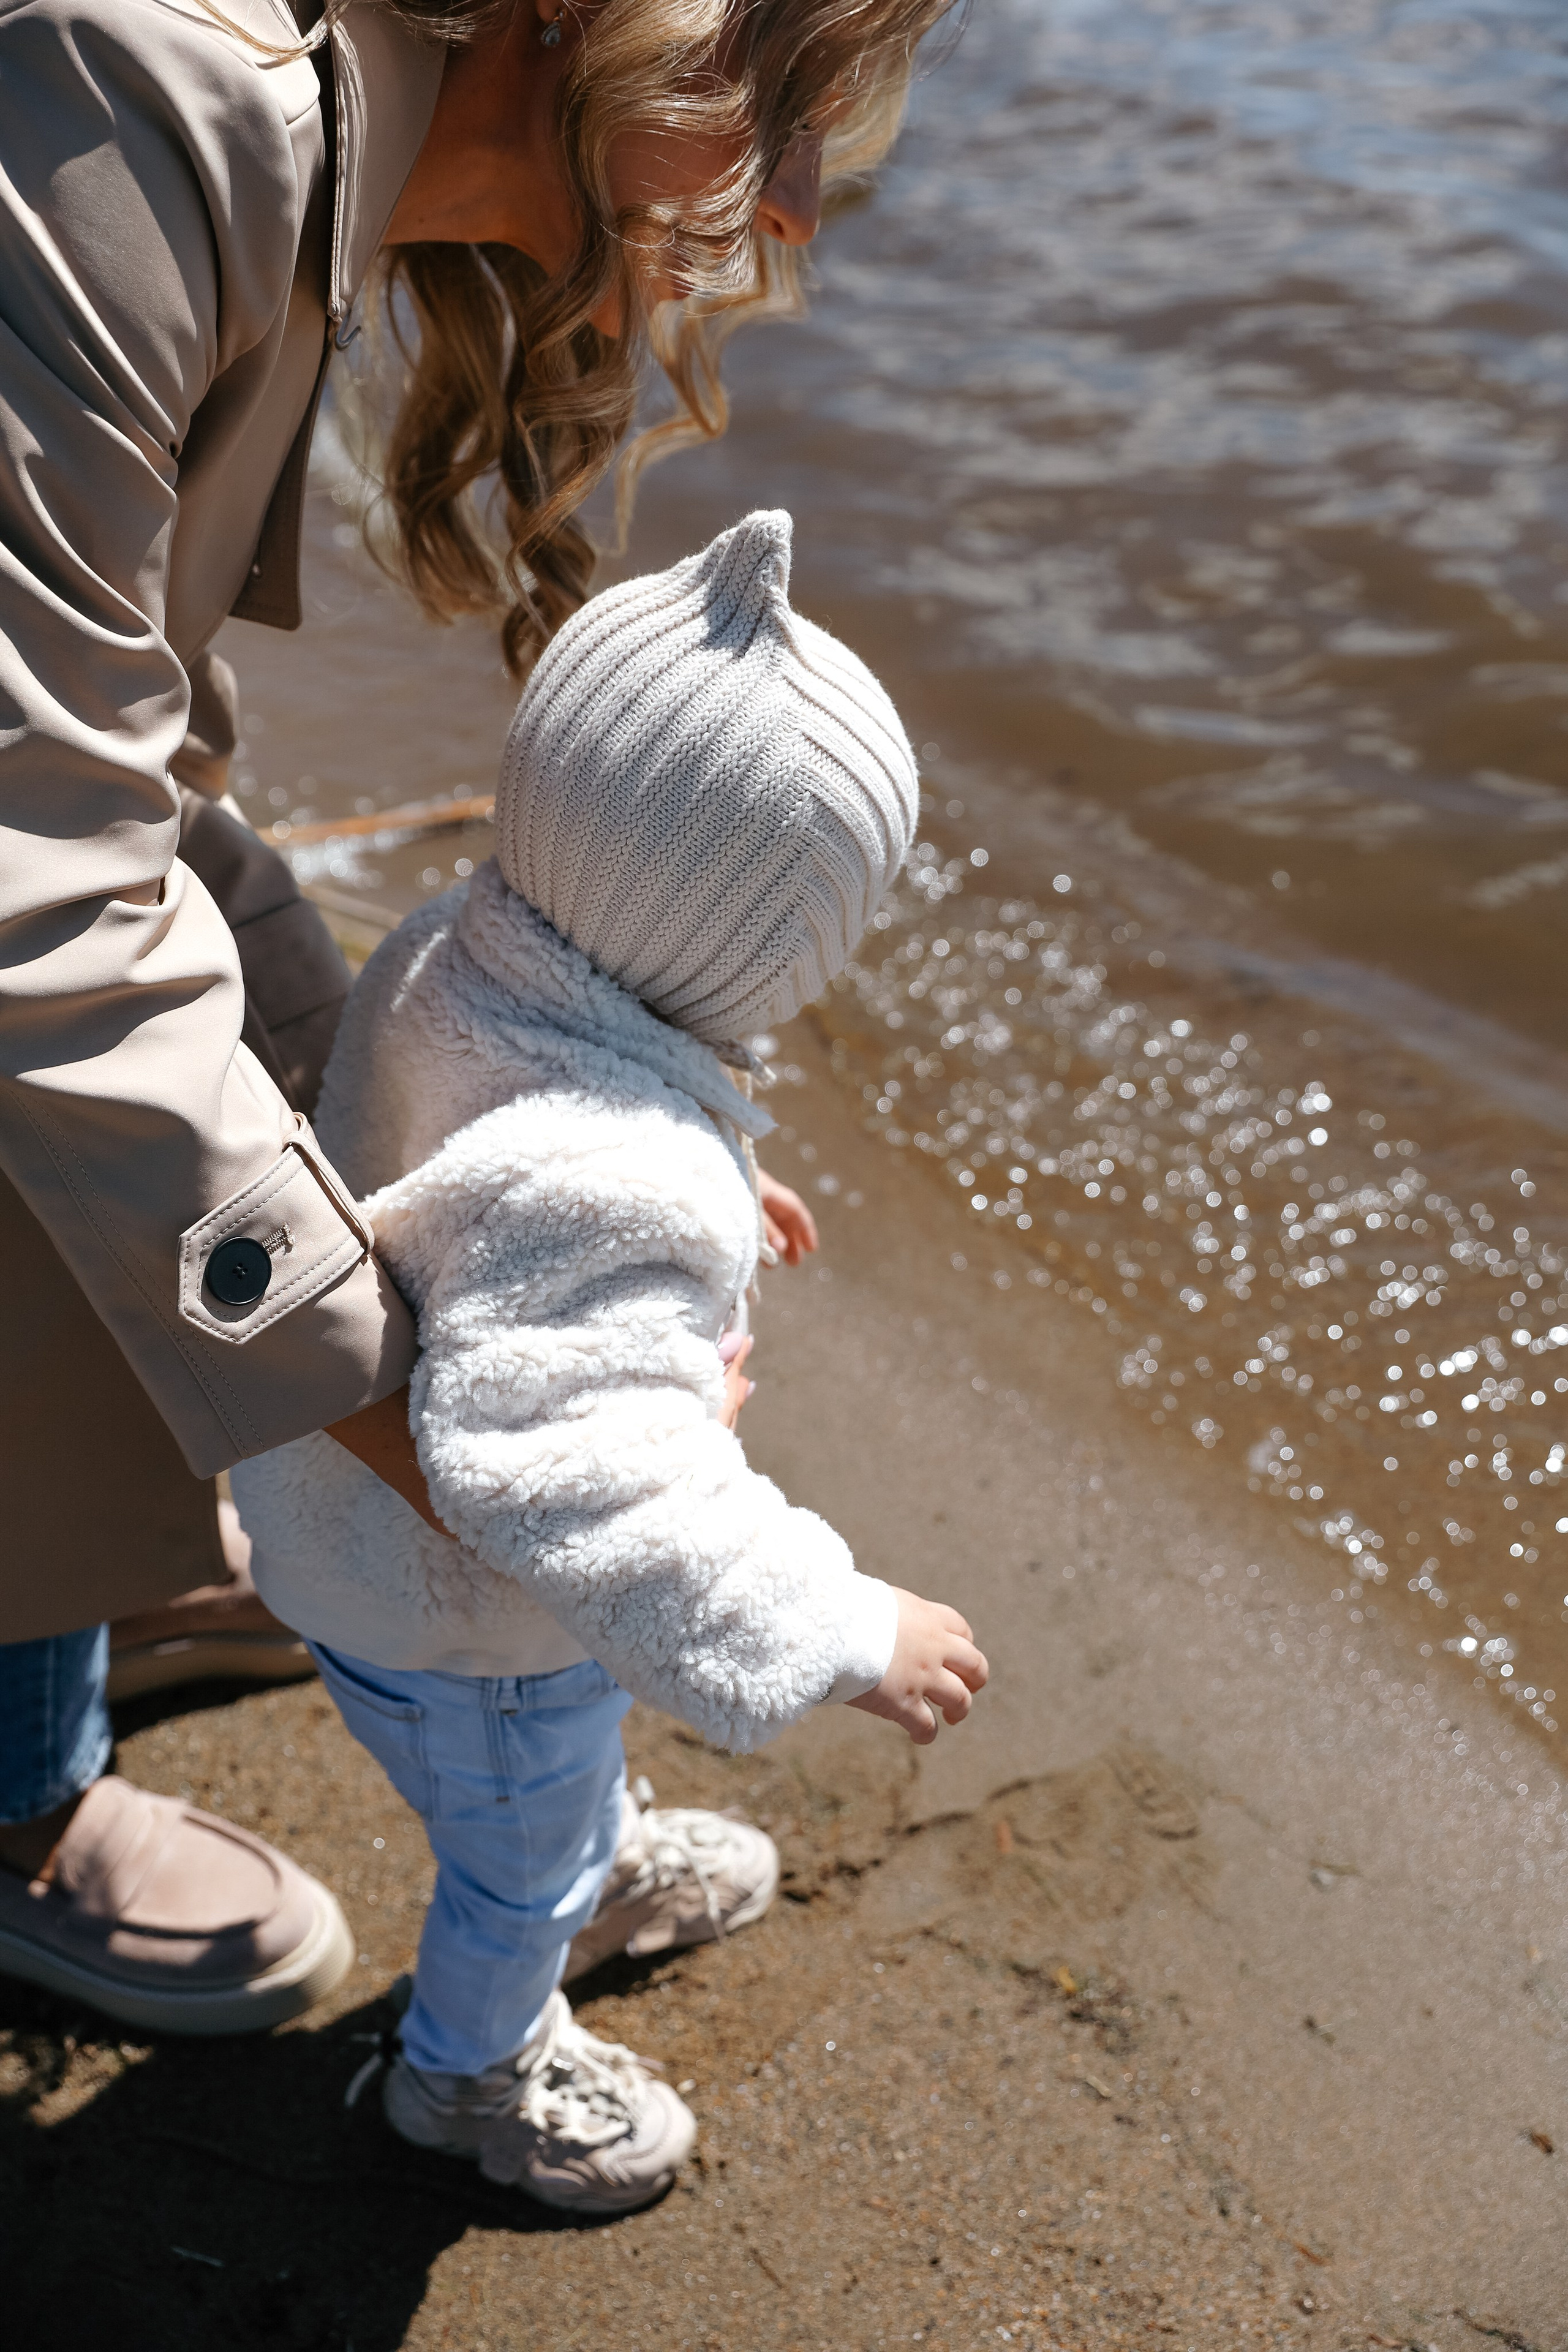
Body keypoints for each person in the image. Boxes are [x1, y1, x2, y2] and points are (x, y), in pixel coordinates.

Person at [0, 0, 955, 2034]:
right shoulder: (138, 105)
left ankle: (115, 1511)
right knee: (103, 1124)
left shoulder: (287, 145)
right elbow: (40, 911)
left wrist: (356, 1222)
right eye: (782, 99)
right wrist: (414, 1410)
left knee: (208, 1147)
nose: (793, 197)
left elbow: (128, 776)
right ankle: (15, 1778)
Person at [230, 510, 989, 2214]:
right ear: (762, 949)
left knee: (547, 1791)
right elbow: (572, 1481)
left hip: (360, 1557)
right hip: (470, 1624)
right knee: (514, 1864)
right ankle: (470, 2075)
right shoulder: (612, 1178)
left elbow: (492, 1156)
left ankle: (600, 1854)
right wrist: (845, 1623)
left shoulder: (470, 940)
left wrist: (714, 1162)